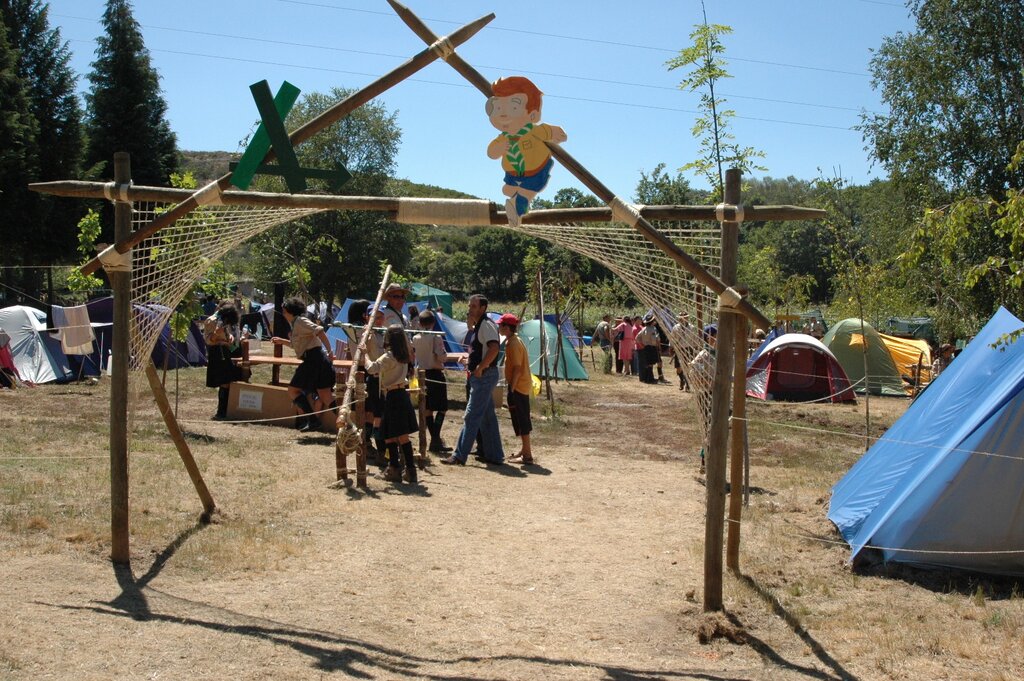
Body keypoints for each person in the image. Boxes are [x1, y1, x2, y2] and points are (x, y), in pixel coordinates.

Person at [486, 76, 567, 227]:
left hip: (536, 170)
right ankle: (516, 207)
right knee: (507, 189)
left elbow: (548, 131)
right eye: (497, 108)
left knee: (527, 192)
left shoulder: (533, 131)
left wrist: (556, 133)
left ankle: (518, 207)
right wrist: (499, 148)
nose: (503, 114)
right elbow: (491, 152)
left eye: (514, 107)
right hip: (512, 173)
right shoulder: (503, 138)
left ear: (533, 115)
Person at [441, 294, 504, 466]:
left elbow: (494, 348)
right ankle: (495, 455)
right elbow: (476, 339)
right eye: (469, 306)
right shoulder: (480, 324)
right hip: (482, 375)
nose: (470, 309)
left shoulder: (486, 325)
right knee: (487, 417)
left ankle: (459, 455)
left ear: (483, 308)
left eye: (473, 307)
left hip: (484, 376)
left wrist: (481, 367)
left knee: (471, 415)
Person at [362, 325, 420, 484]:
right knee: (402, 437)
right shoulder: (404, 355)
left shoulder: (389, 356)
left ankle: (394, 468)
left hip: (393, 397)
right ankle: (410, 471)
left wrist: (364, 353)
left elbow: (372, 368)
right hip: (401, 395)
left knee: (390, 436)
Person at [271, 297, 336, 433]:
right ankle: (347, 423)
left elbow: (319, 331)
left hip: (314, 360)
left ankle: (312, 420)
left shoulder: (300, 321)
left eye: (284, 311)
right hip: (316, 360)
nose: (283, 313)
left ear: (290, 311)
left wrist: (330, 351)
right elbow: (298, 346)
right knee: (325, 396)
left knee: (293, 390)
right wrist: (282, 341)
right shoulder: (295, 324)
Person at [412, 309, 451, 453]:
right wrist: (445, 356)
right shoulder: (436, 337)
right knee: (442, 408)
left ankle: (435, 439)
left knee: (428, 408)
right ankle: (435, 439)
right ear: (434, 322)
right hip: (435, 374)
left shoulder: (415, 338)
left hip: (422, 374)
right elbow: (441, 356)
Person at [498, 314, 535, 465]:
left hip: (518, 386)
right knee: (519, 419)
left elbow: (518, 369)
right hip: (520, 385)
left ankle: (527, 455)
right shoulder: (513, 341)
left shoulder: (513, 344)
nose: (499, 327)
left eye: (501, 325)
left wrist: (511, 390)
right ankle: (525, 450)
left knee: (522, 420)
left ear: (507, 328)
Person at [203, 302, 246, 420]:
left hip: (229, 351)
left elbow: (230, 336)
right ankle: (221, 412)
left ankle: (229, 409)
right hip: (218, 353)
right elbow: (208, 340)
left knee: (232, 380)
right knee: (224, 382)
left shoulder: (227, 321)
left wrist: (230, 338)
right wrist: (216, 335)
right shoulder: (211, 320)